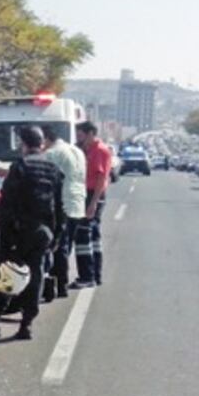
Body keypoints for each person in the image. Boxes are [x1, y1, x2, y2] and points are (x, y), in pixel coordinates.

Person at [0, 126, 64, 340]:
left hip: (19, 232)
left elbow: (7, 205)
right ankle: (26, 324)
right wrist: (57, 234)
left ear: (24, 144)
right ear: (41, 143)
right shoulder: (53, 168)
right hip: (43, 232)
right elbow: (59, 205)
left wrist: (5, 239)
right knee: (35, 277)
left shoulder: (20, 167)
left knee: (8, 274)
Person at [41, 125, 87, 297]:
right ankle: (61, 284)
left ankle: (60, 284)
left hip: (62, 203)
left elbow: (46, 179)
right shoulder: (77, 151)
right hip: (77, 203)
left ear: (46, 139)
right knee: (67, 246)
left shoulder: (52, 154)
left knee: (59, 246)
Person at [71, 121, 112, 288]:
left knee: (83, 235)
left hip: (93, 194)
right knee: (93, 236)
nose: (78, 139)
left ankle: (87, 276)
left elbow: (101, 179)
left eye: (81, 135)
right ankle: (95, 275)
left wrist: (93, 203)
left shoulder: (99, 150)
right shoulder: (85, 150)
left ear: (90, 134)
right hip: (86, 194)